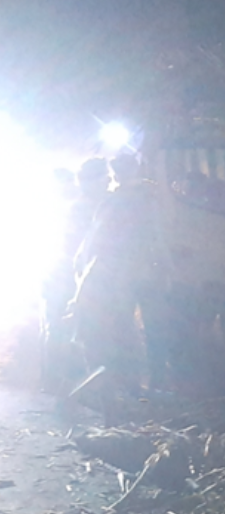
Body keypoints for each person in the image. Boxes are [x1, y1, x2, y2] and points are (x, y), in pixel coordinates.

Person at [72, 153, 174, 395]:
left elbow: (94, 240)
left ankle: (127, 384)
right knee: (151, 327)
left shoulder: (113, 202)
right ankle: (152, 381)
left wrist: (84, 268)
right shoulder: (148, 198)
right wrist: (168, 267)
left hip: (122, 274)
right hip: (144, 271)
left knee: (123, 327)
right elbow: (159, 235)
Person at [41, 161, 109, 390]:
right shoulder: (81, 209)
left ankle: (65, 378)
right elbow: (73, 246)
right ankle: (60, 379)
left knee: (68, 326)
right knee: (63, 325)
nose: (108, 181)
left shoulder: (90, 206)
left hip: (71, 274)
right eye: (104, 177)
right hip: (65, 275)